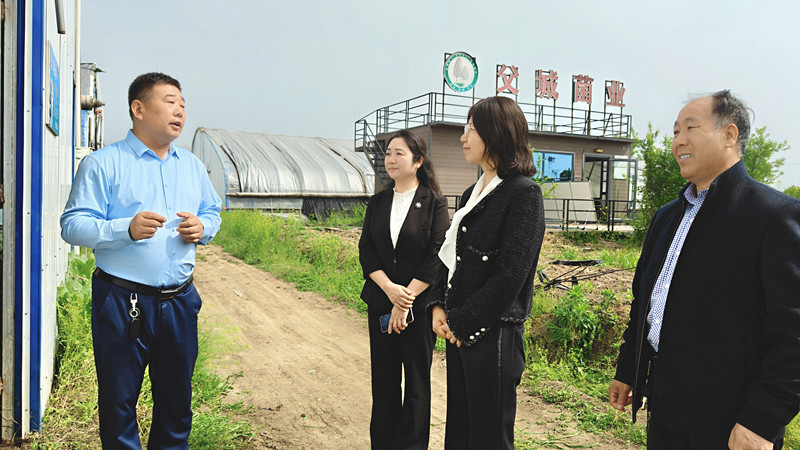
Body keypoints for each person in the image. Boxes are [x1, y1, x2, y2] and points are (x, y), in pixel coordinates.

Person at [608, 90, 800, 449]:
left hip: (730, 423)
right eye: (675, 131)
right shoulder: (668, 216)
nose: (678, 140)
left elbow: (794, 334)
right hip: (665, 407)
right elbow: (645, 302)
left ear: (729, 135)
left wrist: (762, 421)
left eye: (690, 128)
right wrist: (627, 369)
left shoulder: (772, 216)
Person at [61, 72, 222, 449]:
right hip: (122, 301)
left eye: (182, 103)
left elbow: (212, 211)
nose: (179, 110)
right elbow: (73, 225)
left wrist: (204, 227)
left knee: (177, 402)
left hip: (180, 302)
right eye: (169, 101)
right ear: (138, 108)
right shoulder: (104, 164)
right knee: (119, 404)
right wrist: (125, 229)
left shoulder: (192, 166)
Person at [427, 96, 545, 449]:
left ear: (496, 134)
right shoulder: (471, 193)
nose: (463, 137)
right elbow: (448, 259)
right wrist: (437, 306)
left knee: (489, 438)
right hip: (460, 328)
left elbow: (511, 275)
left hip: (493, 334)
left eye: (471, 129)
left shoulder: (523, 194)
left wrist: (461, 323)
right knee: (461, 432)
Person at [358, 129, 450, 449]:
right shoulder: (378, 202)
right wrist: (389, 291)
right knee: (383, 383)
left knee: (416, 387)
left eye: (399, 153)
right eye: (388, 153)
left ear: (418, 161)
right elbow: (367, 251)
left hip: (418, 309)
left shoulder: (434, 203)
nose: (391, 159)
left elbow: (437, 254)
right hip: (381, 303)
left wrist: (405, 299)